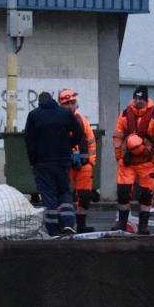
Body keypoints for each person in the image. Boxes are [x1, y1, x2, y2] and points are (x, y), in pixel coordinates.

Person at [23, 91, 85, 236]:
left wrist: (33, 161)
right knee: (64, 192)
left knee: (49, 195)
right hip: (63, 161)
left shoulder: (34, 115)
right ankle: (68, 224)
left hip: (43, 163)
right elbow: (79, 132)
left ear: (39, 103)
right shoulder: (65, 113)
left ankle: (53, 230)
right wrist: (69, 145)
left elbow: (29, 141)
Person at [113, 87, 154, 235]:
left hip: (146, 161)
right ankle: (122, 223)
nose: (137, 101)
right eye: (135, 98)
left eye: (141, 99)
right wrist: (119, 156)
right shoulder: (125, 114)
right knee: (123, 192)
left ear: (146, 100)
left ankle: (143, 226)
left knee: (146, 194)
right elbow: (117, 136)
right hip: (127, 161)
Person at [58, 88, 98, 231]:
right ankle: (64, 224)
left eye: (72, 102)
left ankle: (81, 225)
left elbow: (91, 142)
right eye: (67, 103)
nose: (70, 106)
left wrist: (91, 162)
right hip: (65, 165)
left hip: (83, 165)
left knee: (85, 196)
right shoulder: (58, 121)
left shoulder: (83, 121)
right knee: (64, 196)